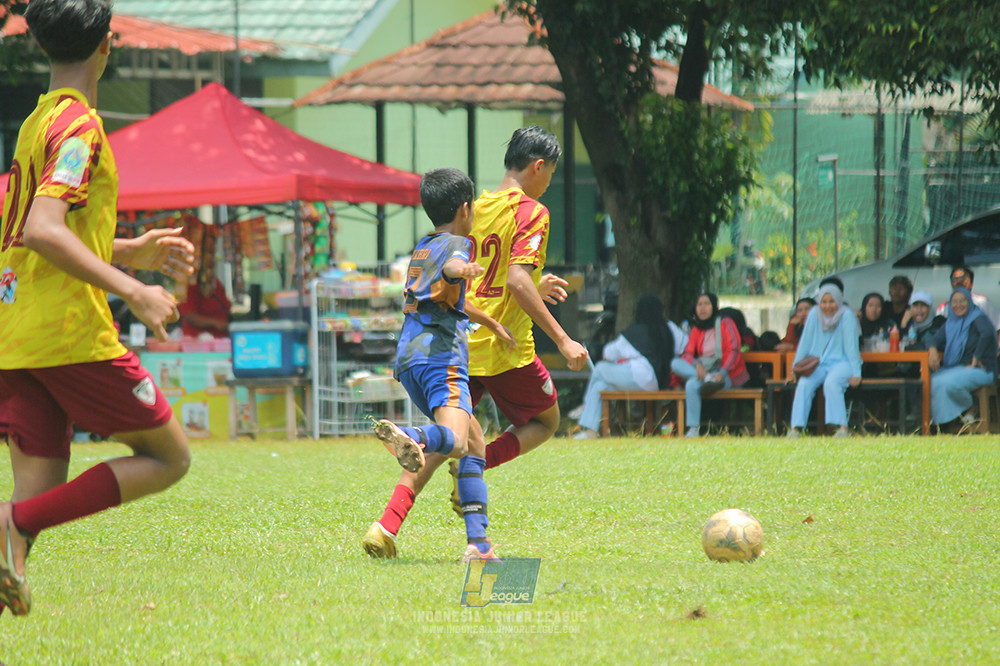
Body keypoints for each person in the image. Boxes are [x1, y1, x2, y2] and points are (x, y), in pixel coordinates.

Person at [0, 0, 195, 617]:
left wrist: (129, 251)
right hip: (68, 336)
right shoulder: (80, 128)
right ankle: (11, 525)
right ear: (108, 43)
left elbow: (33, 229)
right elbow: (44, 231)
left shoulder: (37, 123)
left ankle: (12, 531)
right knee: (169, 456)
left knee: (26, 523)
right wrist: (131, 289)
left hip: (15, 334)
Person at [361, 127, 589, 559]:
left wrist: (530, 285)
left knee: (452, 439)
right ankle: (473, 484)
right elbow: (516, 278)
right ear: (538, 167)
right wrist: (563, 337)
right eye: (551, 175)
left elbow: (487, 273)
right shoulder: (532, 211)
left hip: (462, 344)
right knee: (545, 421)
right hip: (505, 350)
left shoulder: (474, 208)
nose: (548, 185)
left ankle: (388, 526)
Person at [362, 168, 514, 562]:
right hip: (440, 359)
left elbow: (446, 294)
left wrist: (490, 320)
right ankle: (410, 434)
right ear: (466, 209)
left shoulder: (424, 246)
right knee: (458, 440)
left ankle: (476, 545)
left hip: (410, 359)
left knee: (474, 444)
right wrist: (462, 268)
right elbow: (454, 267)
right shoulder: (456, 245)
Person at [571, 294, 674, 439]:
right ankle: (591, 431)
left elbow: (608, 353)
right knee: (600, 386)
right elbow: (684, 345)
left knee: (600, 368)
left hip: (640, 377)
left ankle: (584, 405)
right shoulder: (669, 329)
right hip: (659, 382)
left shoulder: (634, 333)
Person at [786, 283, 862, 438]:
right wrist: (795, 369)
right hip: (818, 363)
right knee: (804, 384)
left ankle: (842, 428)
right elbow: (805, 343)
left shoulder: (847, 315)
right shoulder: (814, 314)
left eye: (831, 301)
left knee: (831, 383)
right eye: (824, 302)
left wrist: (856, 372)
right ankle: (796, 428)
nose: (827, 306)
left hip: (843, 362)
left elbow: (852, 347)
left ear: (839, 301)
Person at [670, 293, 749, 438]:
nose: (702, 308)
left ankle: (709, 380)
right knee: (676, 364)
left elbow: (734, 349)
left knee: (692, 384)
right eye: (699, 304)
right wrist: (697, 365)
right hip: (705, 374)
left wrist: (722, 373)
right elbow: (687, 354)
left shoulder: (725, 322)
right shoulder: (697, 328)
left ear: (714, 306)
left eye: (706, 304)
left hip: (725, 374)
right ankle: (694, 429)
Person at [927, 287, 998, 429]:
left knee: (948, 383)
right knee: (931, 381)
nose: (958, 305)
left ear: (969, 301)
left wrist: (977, 356)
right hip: (956, 369)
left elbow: (987, 334)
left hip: (982, 369)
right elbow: (931, 339)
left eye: (962, 300)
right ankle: (944, 424)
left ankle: (969, 408)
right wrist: (932, 349)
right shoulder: (951, 323)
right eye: (954, 301)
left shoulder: (978, 317)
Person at [936, 265, 1000, 331]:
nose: (959, 282)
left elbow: (998, 328)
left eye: (963, 278)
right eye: (955, 279)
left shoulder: (983, 303)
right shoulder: (944, 309)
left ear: (971, 283)